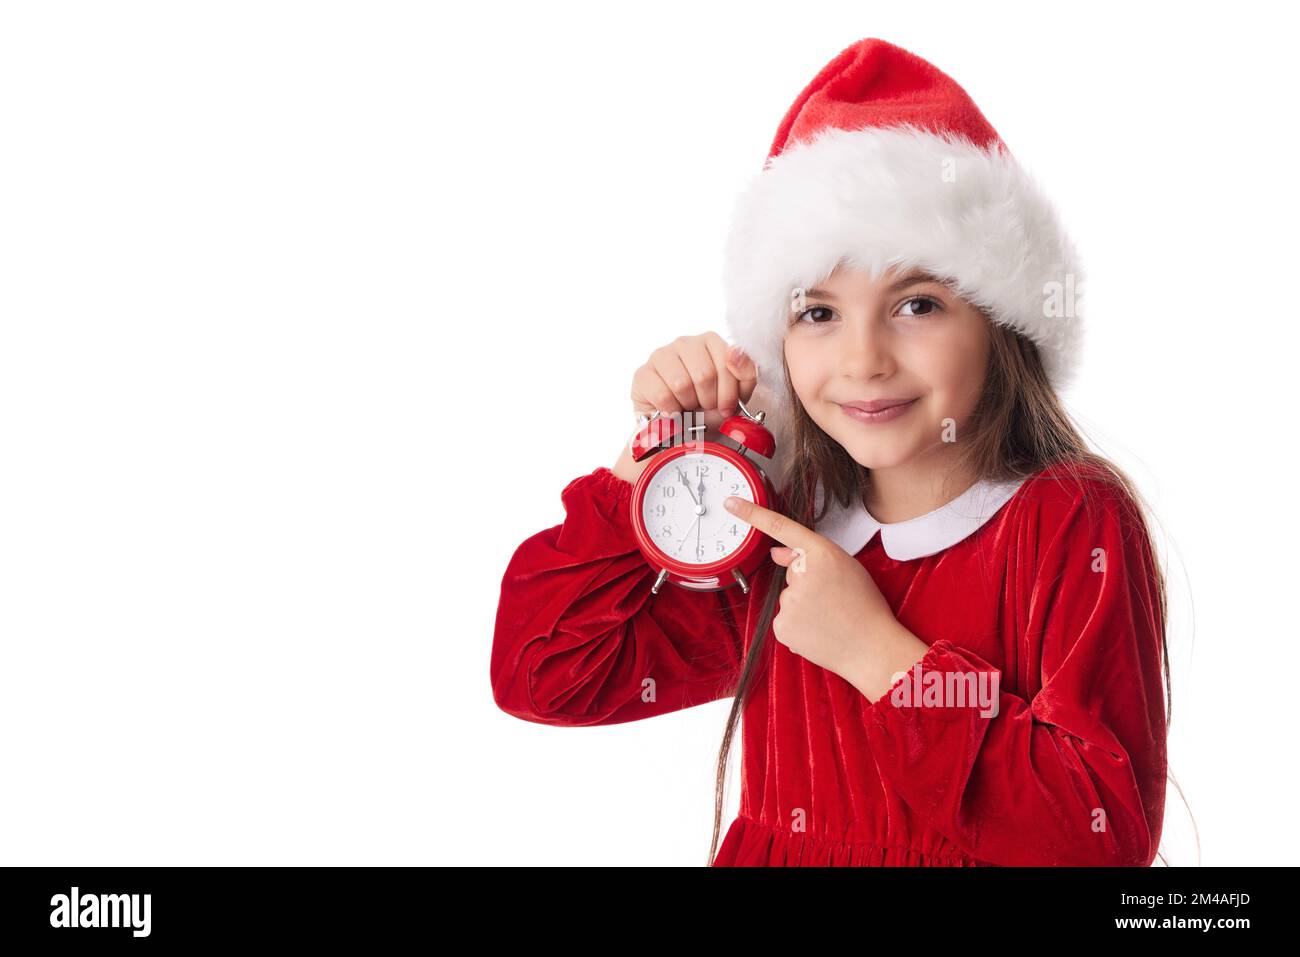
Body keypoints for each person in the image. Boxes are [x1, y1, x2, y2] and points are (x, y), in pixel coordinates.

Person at [490, 37, 1172, 867]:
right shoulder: (781, 524)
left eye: (917, 303)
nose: (863, 360)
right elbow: (544, 672)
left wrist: (882, 658)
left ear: (1001, 322)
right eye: (818, 312)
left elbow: (1098, 838)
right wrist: (654, 468)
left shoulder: (1067, 521)